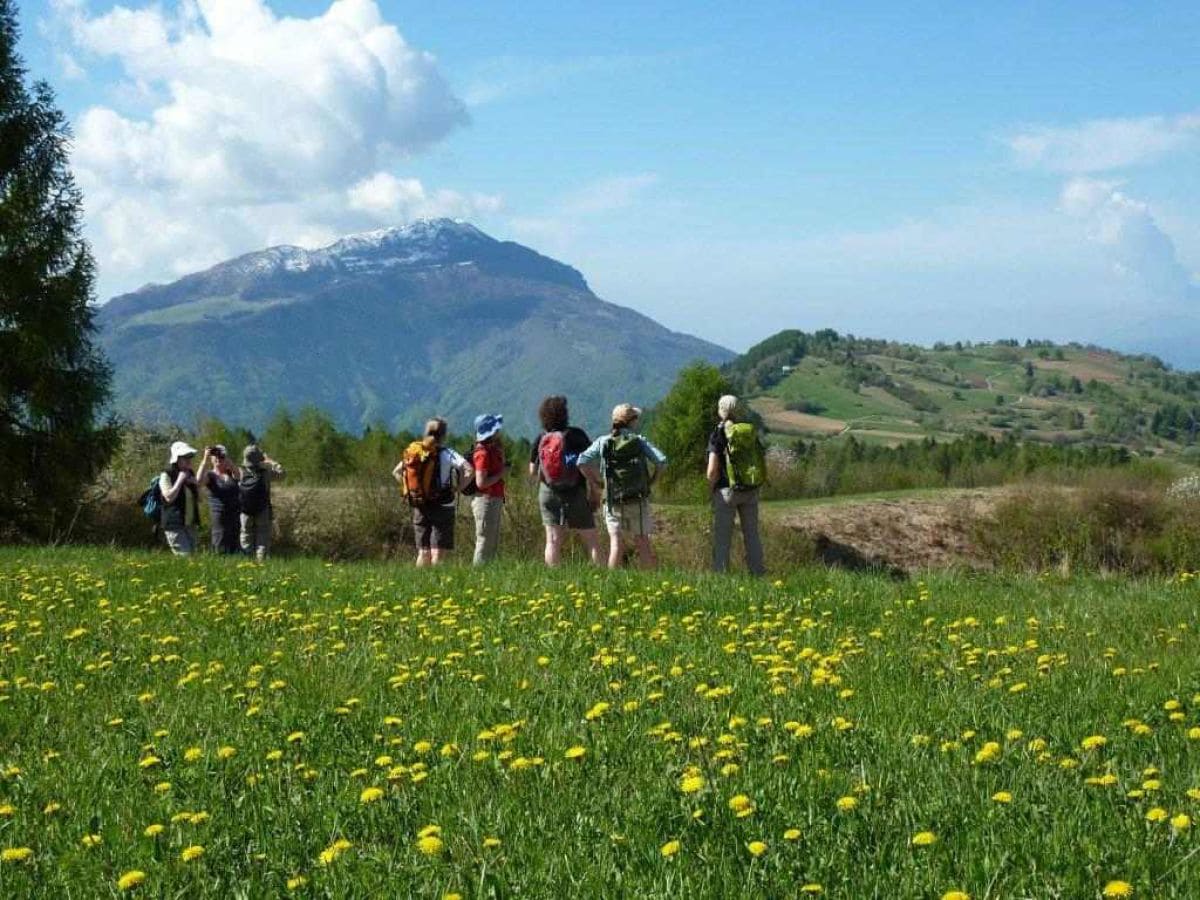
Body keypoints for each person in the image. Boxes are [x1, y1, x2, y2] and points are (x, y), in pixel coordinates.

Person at [577, 403, 667, 570]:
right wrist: (652, 481)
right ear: (631, 422)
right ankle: (650, 582)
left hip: (612, 500)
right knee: (642, 542)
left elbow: (581, 462)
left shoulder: (603, 441)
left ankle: (612, 584)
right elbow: (662, 462)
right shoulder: (639, 442)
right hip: (637, 500)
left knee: (616, 544)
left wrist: (596, 483)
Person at [529, 395, 601, 566]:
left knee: (552, 540)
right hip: (575, 492)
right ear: (565, 414)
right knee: (590, 538)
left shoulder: (541, 439)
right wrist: (595, 490)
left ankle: (554, 579)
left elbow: (532, 471)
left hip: (548, 492)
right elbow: (589, 465)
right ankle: (604, 576)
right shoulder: (577, 435)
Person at [393, 418, 472, 567]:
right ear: (444, 435)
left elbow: (396, 472)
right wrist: (458, 488)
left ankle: (419, 585)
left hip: (420, 504)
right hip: (444, 505)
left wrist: (410, 490)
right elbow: (469, 470)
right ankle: (436, 586)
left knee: (423, 551)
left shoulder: (416, 451)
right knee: (438, 551)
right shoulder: (448, 453)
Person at [707, 394, 766, 575]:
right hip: (750, 488)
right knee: (752, 536)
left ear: (721, 410)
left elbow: (712, 470)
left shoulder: (718, 433)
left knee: (723, 539)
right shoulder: (747, 431)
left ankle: (720, 578)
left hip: (727, 491)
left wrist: (711, 489)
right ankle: (757, 575)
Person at [471, 413, 507, 565]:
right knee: (485, 540)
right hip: (486, 501)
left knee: (491, 540)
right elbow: (481, 482)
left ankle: (486, 571)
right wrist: (501, 474)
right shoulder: (483, 453)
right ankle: (479, 574)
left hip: (492, 500)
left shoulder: (491, 450)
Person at [239, 444, 285, 561]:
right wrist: (271, 461)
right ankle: (261, 562)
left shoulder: (240, 472)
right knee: (262, 538)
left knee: (246, 536)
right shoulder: (265, 473)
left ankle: (246, 561)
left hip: (245, 511)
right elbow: (282, 474)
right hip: (263, 510)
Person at [195, 444, 241, 554]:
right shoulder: (210, 475)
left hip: (234, 514)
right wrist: (205, 460)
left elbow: (239, 476)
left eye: (221, 457)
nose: (218, 459)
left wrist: (229, 462)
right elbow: (198, 482)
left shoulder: (231, 473)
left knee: (234, 543)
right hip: (219, 515)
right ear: (211, 459)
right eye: (215, 457)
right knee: (219, 543)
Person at [159, 441, 201, 556]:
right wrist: (179, 481)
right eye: (185, 457)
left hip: (190, 524)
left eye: (190, 456)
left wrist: (195, 484)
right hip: (174, 524)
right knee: (185, 556)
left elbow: (198, 499)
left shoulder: (190, 473)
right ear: (176, 458)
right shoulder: (166, 475)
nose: (189, 460)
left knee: (195, 558)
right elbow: (168, 498)